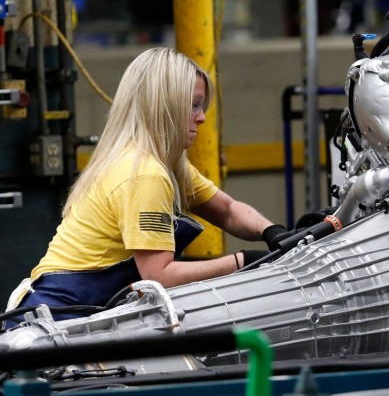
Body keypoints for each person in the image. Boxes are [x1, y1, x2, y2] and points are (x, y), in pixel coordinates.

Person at [3, 47, 288, 326]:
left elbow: (226, 210)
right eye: (194, 104)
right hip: (59, 322)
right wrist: (243, 262)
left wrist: (274, 233)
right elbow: (159, 277)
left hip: (58, 316)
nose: (201, 117)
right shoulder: (145, 174)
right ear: (165, 104)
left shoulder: (160, 161)